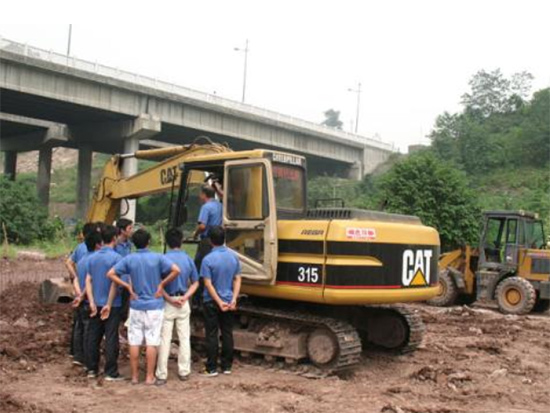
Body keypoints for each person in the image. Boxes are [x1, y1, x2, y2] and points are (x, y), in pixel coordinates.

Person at [107, 229, 180, 385]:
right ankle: (149, 377)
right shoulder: (158, 258)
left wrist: (127, 286)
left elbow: (111, 273)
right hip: (154, 305)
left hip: (136, 305)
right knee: (152, 342)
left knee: (134, 341)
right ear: (148, 242)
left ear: (134, 243)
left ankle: (134, 377)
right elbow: (176, 270)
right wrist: (161, 284)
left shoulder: (129, 259)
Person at [155, 228, 199, 385]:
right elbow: (196, 282)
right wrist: (186, 297)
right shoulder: (188, 259)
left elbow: (158, 284)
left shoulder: (163, 259)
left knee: (164, 339)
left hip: (167, 302)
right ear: (181, 241)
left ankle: (161, 374)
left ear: (167, 242)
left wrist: (168, 298)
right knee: (184, 337)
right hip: (183, 301)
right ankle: (184, 371)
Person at [200, 226, 242, 377]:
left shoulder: (208, 259)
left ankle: (211, 368)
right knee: (227, 333)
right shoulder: (233, 257)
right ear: (224, 238)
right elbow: (237, 279)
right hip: (229, 301)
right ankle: (227, 366)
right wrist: (233, 299)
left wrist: (218, 301)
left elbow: (208, 284)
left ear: (210, 241)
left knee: (211, 334)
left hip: (212, 301)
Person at [85, 225, 124, 380]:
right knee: (111, 337)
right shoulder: (117, 258)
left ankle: (91, 369)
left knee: (93, 336)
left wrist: (92, 303)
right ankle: (110, 371)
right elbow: (115, 283)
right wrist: (108, 303)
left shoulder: (92, 257)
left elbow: (88, 281)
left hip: (95, 303)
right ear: (114, 238)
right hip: (112, 305)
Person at [66, 222, 98, 358]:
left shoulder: (80, 250)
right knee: (88, 327)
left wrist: (75, 279)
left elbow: (68, 262)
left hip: (79, 289)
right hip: (88, 293)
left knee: (78, 324)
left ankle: (76, 353)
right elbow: (91, 279)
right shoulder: (94, 255)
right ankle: (86, 356)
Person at [71, 230, 102, 368]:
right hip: (90, 300)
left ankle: (78, 356)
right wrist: (83, 295)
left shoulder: (82, 259)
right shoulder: (95, 260)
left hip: (81, 300)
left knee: (80, 328)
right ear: (97, 245)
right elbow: (92, 281)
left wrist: (78, 295)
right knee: (90, 333)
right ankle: (89, 363)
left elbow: (76, 279)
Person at [193, 185, 223, 271]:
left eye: (200, 194)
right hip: (218, 239)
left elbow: (202, 226)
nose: (199, 196)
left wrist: (195, 234)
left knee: (199, 264)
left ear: (203, 194)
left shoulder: (206, 207)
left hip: (207, 240)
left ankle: (200, 283)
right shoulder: (220, 205)